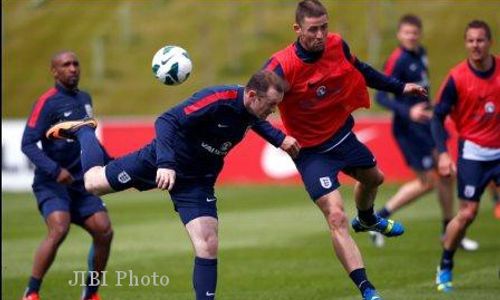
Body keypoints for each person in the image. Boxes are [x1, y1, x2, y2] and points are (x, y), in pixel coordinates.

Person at [46, 70, 300, 300]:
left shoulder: (251, 109)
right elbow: (166, 120)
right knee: (93, 184)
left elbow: (255, 120)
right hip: (159, 161)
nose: (274, 111)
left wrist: (280, 140)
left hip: (198, 180)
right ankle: (84, 131)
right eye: (272, 105)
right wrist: (166, 163)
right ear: (253, 95)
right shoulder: (218, 98)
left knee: (208, 244)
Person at [262, 1, 427, 299]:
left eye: (324, 26)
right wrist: (279, 138)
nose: (321, 35)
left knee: (375, 178)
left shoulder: (337, 45)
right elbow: (251, 108)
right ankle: (367, 289)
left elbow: (362, 70)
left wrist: (400, 87)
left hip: (341, 136)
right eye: (313, 29)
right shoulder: (280, 67)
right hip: (310, 152)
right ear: (297, 29)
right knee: (336, 216)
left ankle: (367, 218)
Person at [372, 14, 478, 251]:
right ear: (399, 35)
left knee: (446, 174)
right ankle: (377, 218)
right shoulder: (397, 59)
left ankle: (449, 231)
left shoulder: (421, 53)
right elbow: (380, 95)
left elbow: (424, 90)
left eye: (414, 33)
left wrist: (433, 112)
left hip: (426, 124)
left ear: (419, 34)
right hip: (408, 128)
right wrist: (407, 112)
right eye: (406, 33)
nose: (411, 37)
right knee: (428, 182)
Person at [21, 51, 113, 300]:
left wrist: (113, 164)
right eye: (65, 65)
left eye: (75, 63)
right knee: (59, 228)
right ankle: (31, 292)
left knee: (104, 230)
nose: (72, 68)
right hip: (53, 183)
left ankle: (91, 293)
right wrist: (54, 170)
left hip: (81, 184)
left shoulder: (85, 98)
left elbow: (89, 139)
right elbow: (27, 144)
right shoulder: (47, 102)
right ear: (54, 71)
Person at [432, 20, 499, 293]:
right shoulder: (457, 77)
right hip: (473, 154)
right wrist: (443, 155)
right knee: (468, 213)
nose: (475, 45)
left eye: (480, 40)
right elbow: (437, 117)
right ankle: (445, 264)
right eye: (471, 40)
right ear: (465, 43)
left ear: (490, 42)